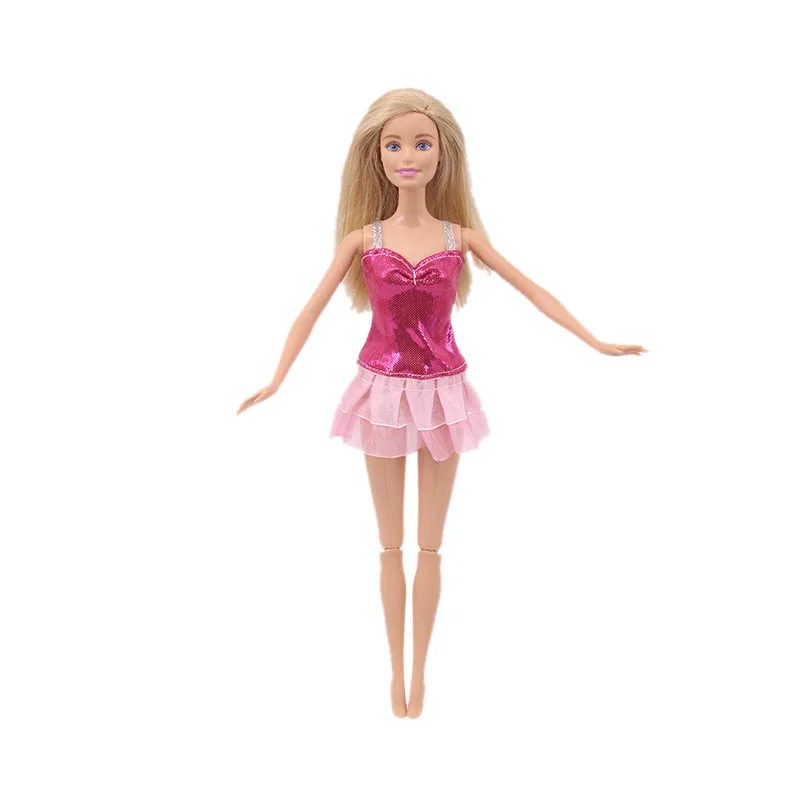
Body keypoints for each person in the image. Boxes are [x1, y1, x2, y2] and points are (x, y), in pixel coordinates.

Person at [237, 88, 647, 718]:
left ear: (442, 154)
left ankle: (419, 676)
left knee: (429, 545)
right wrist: (276, 378)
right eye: (394, 145)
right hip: (380, 389)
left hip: (444, 391)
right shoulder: (363, 238)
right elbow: (311, 309)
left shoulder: (460, 237)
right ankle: (394, 674)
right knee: (389, 545)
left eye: (421, 144)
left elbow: (532, 289)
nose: (408, 156)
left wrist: (594, 340)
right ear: (375, 155)